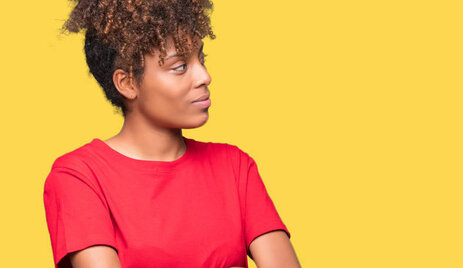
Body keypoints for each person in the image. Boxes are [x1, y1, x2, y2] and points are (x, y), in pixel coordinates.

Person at [42, 0, 301, 267]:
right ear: (127, 83)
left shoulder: (235, 166)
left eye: (200, 59)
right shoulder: (79, 176)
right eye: (179, 67)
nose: (204, 76)